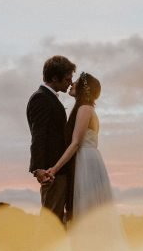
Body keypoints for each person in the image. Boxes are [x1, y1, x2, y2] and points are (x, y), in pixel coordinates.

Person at [46, 72, 115, 220]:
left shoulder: (85, 108)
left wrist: (54, 169)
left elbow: (76, 142)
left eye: (76, 82)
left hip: (85, 161)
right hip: (89, 158)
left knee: (84, 210)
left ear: (84, 88)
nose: (71, 84)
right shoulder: (87, 108)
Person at [27, 55, 76, 224]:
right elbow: (38, 135)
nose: (70, 82)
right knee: (52, 221)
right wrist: (39, 169)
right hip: (51, 172)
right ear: (55, 77)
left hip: (58, 170)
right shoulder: (41, 98)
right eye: (68, 78)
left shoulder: (50, 98)